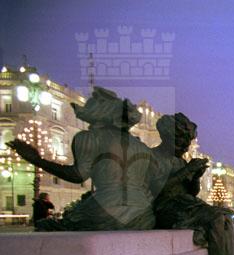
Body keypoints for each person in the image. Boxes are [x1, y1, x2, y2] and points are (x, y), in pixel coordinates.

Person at [8, 87, 156, 231]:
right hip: (144, 215)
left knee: (48, 226)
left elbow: (78, 175)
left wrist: (36, 159)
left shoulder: (90, 137)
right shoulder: (142, 147)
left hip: (107, 209)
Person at [152, 113, 234, 255]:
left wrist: (196, 176)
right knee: (216, 216)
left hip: (185, 204)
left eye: (188, 141)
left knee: (225, 216)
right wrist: (187, 170)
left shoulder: (180, 161)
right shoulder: (154, 157)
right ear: (167, 136)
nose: (186, 146)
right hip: (166, 207)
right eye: (182, 141)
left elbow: (191, 191)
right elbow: (156, 190)